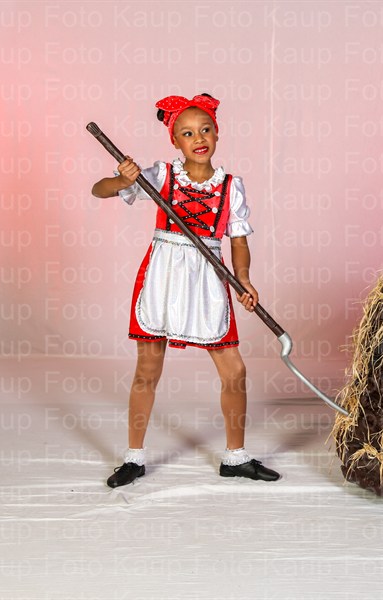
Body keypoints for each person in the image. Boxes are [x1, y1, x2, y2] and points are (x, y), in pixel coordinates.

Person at [91, 93, 280, 487]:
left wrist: (244, 278)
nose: (199, 138)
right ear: (175, 140)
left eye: (205, 129)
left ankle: (235, 457)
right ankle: (133, 457)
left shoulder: (231, 186)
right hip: (162, 275)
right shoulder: (160, 175)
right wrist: (124, 179)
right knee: (147, 369)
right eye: (188, 133)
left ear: (217, 133)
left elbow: (238, 240)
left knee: (235, 370)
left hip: (209, 277)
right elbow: (100, 190)